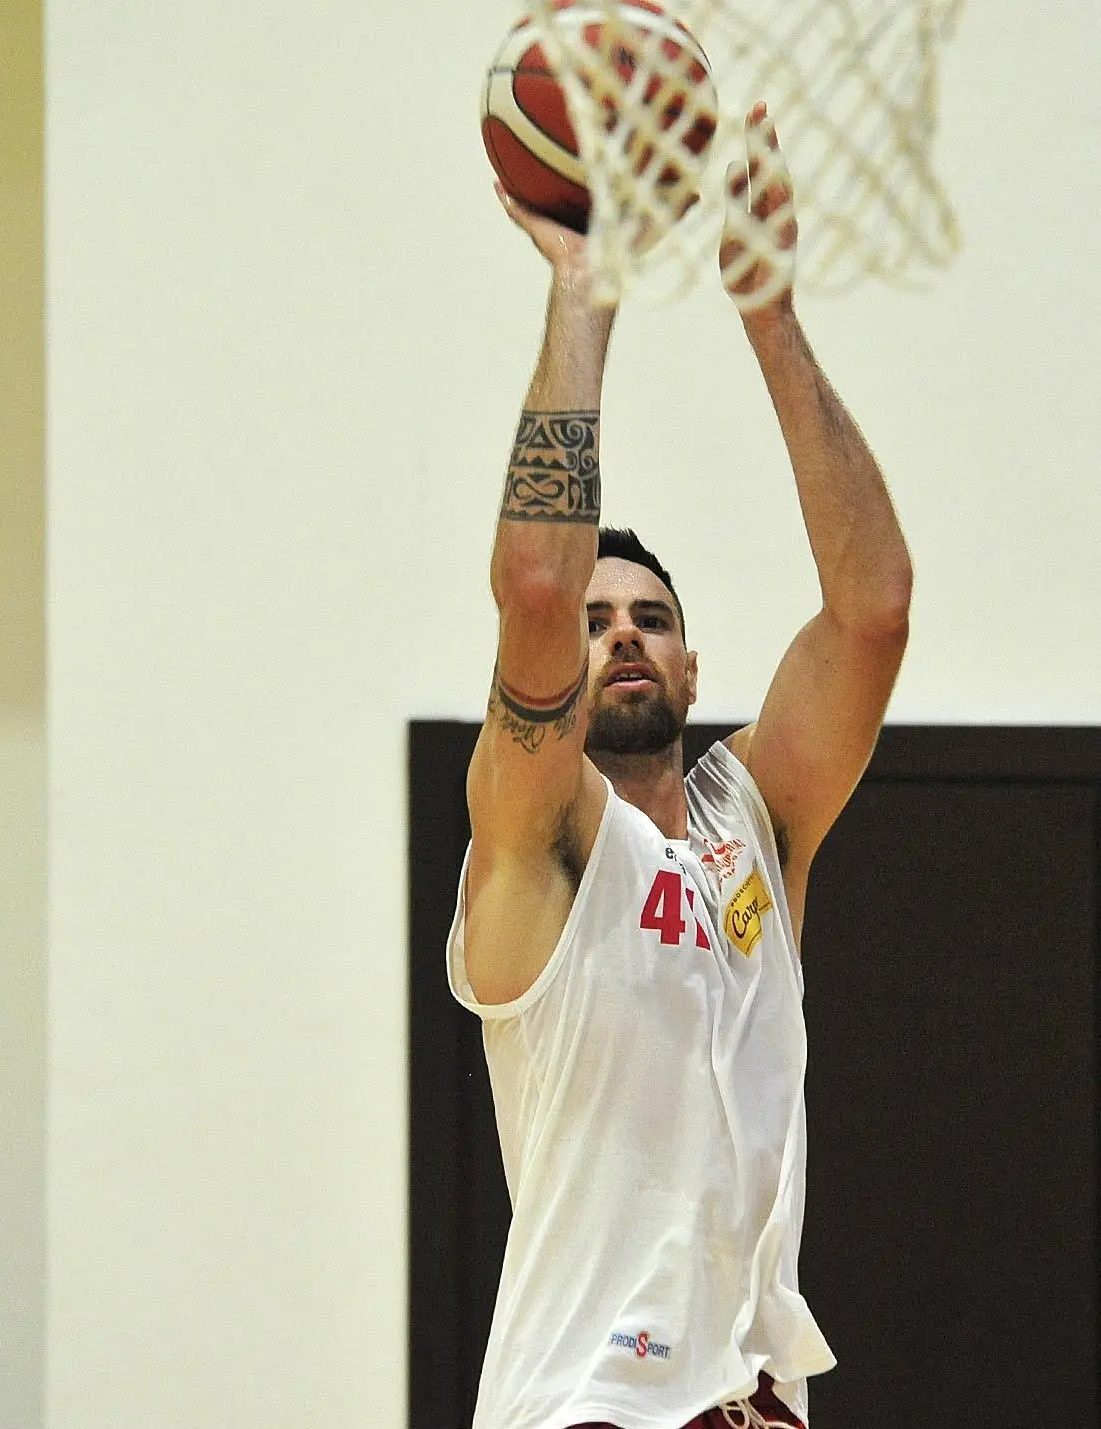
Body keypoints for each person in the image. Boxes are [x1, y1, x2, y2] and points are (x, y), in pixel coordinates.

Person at [445, 104, 912, 1429]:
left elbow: (870, 609)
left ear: (693, 667)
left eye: (647, 616)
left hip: (752, 1400)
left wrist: (766, 310)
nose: (619, 636)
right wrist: (585, 290)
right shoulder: (534, 834)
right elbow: (535, 580)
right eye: (595, 627)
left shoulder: (753, 816)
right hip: (590, 1401)